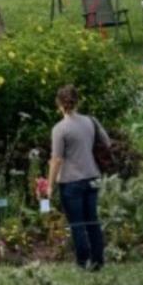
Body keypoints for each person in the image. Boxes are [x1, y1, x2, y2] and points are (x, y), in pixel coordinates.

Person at [47, 84, 110, 271]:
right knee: (92, 221)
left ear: (59, 104)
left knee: (77, 224)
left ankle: (83, 262)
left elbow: (56, 159)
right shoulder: (91, 121)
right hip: (92, 175)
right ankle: (98, 260)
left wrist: (50, 185)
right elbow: (107, 142)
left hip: (70, 180)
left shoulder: (60, 129)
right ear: (77, 101)